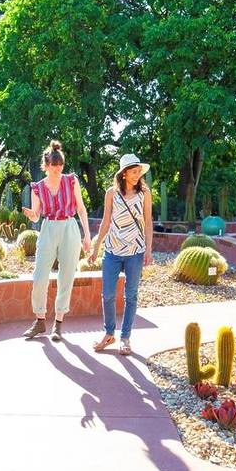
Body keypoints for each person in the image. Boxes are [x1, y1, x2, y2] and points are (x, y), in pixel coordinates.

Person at [20, 141, 93, 341]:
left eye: (60, 164)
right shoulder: (38, 188)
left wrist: (87, 235)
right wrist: (31, 215)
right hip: (49, 227)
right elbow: (37, 216)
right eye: (54, 164)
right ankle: (40, 320)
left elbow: (81, 209)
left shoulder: (71, 181)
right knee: (39, 277)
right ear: (46, 165)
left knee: (66, 276)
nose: (58, 168)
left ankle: (58, 324)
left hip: (69, 227)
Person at [90, 153, 153, 356]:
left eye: (139, 172)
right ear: (124, 173)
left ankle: (125, 338)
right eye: (133, 172)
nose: (137, 175)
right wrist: (96, 246)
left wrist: (149, 249)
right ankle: (109, 334)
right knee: (107, 294)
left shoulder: (145, 193)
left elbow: (148, 222)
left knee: (131, 295)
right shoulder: (111, 193)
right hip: (112, 251)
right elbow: (106, 222)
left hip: (135, 251)